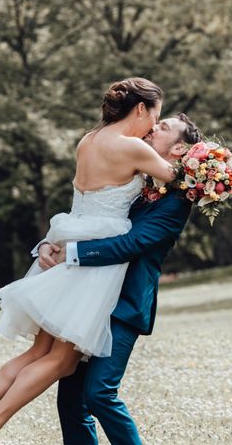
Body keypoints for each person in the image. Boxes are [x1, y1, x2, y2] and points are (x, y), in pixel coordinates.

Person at [0, 77, 195, 445]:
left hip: (82, 250)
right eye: (157, 117)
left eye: (164, 127)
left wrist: (56, 243)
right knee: (59, 361)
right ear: (140, 109)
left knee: (41, 354)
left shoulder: (89, 141)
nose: (155, 126)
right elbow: (183, 179)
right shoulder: (137, 153)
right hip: (90, 269)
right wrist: (211, 170)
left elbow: (104, 212)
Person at [43, 112, 201, 445]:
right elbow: (89, 215)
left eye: (165, 128)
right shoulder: (135, 176)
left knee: (99, 393)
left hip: (124, 304)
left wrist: (71, 255)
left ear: (179, 149)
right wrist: (49, 243)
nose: (154, 127)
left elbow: (134, 244)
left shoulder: (176, 201)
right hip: (90, 295)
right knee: (69, 399)